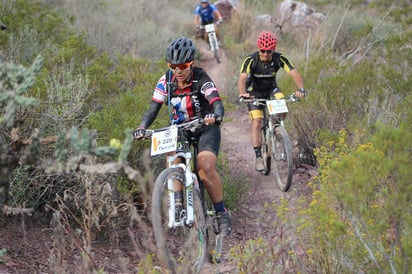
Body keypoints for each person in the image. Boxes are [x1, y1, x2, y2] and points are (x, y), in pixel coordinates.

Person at [133, 37, 231, 237]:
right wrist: (142, 127)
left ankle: (221, 213)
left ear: (191, 63)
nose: (178, 70)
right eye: (173, 66)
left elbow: (216, 101)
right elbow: (153, 109)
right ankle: (179, 206)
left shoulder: (201, 78)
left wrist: (216, 114)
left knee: (205, 167)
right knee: (174, 162)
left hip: (205, 126)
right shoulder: (166, 80)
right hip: (180, 130)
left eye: (183, 66)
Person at [237, 31, 307, 172]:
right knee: (257, 121)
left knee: (283, 105)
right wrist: (242, 93)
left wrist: (301, 89)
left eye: (269, 51)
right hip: (254, 92)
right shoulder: (251, 59)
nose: (265, 54)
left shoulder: (279, 58)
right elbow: (243, 78)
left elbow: (293, 73)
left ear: (273, 49)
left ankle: (276, 129)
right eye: (262, 51)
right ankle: (258, 157)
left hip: (271, 90)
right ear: (259, 49)